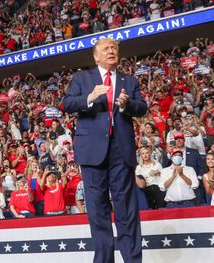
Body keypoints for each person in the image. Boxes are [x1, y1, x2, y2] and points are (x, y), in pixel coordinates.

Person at [62, 38, 146, 263]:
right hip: (91, 152)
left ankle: (132, 260)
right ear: (96, 56)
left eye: (114, 48)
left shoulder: (129, 81)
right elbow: (67, 103)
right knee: (98, 212)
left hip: (121, 149)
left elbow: (142, 108)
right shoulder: (82, 78)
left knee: (126, 210)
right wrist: (89, 98)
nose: (111, 51)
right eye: (106, 48)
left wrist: (126, 105)